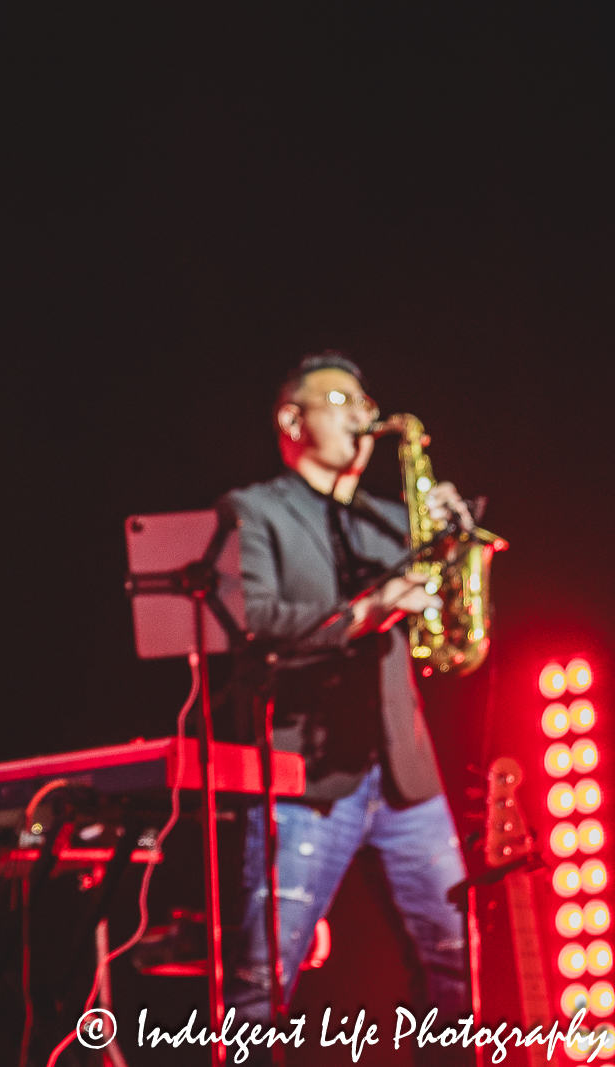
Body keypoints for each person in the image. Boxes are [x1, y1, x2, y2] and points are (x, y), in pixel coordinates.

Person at [223, 353, 471, 1026]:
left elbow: (449, 628)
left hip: (405, 777)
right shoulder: (254, 510)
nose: (364, 413)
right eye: (343, 400)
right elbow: (254, 623)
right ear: (291, 419)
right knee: (259, 987)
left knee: (460, 972)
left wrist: (456, 543)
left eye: (367, 401)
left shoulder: (391, 519)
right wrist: (366, 610)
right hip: (305, 780)